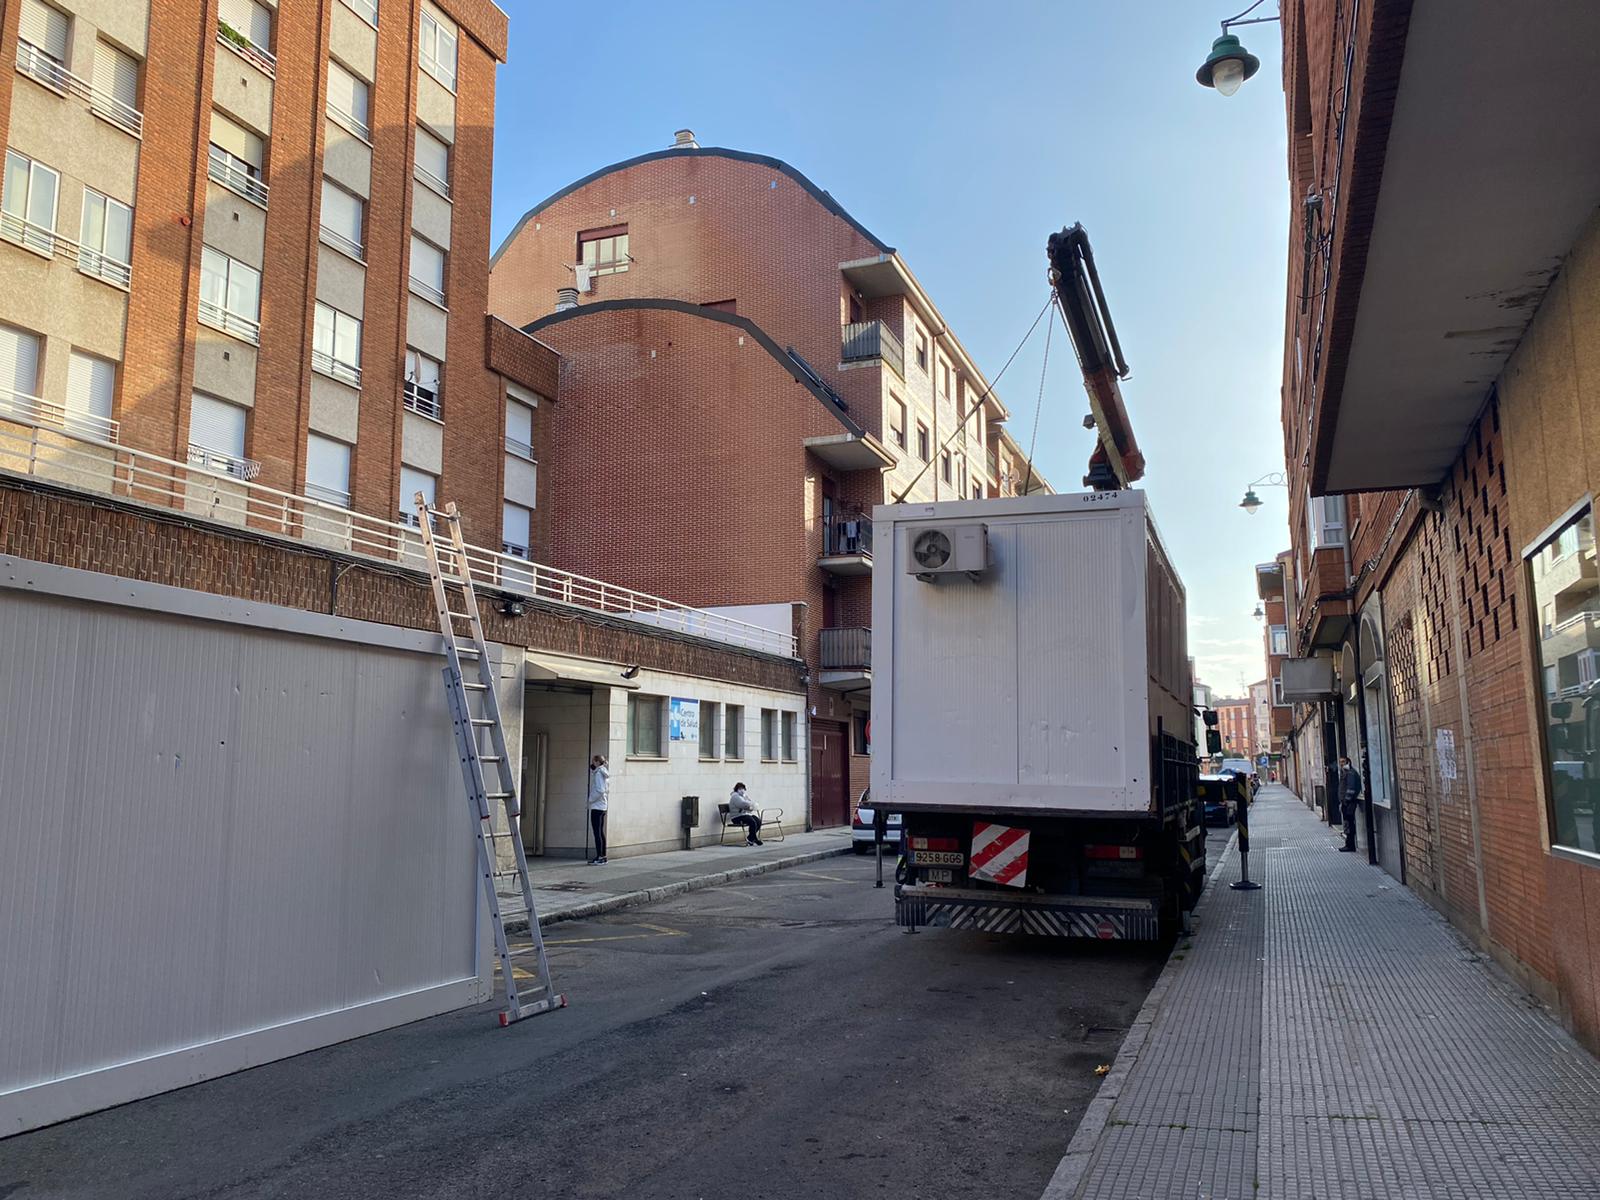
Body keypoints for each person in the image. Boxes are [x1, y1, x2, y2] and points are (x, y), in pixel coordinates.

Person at [1337, 755, 1362, 852]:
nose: (1341, 764)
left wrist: (1346, 801)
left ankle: (1350, 845)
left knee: (1349, 823)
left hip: (1349, 804)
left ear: (1348, 762)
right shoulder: (1345, 772)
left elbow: (1351, 788)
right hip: (1346, 803)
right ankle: (1349, 844)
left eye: (1343, 762)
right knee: (1348, 823)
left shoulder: (1350, 773)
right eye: (1340, 762)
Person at [588, 755, 609, 864]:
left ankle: (599, 856)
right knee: (600, 832)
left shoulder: (599, 774)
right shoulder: (603, 772)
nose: (592, 763)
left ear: (596, 762)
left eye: (593, 761)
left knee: (597, 832)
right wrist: (593, 770)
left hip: (597, 806)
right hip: (603, 806)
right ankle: (603, 855)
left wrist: (590, 799)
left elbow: (599, 790)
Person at [728, 782, 762, 846]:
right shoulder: (735, 796)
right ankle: (754, 838)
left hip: (743, 815)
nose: (743, 790)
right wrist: (751, 805)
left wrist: (751, 805)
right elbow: (743, 804)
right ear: (737, 789)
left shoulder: (742, 796)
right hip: (736, 817)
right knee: (752, 821)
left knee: (757, 821)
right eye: (741, 788)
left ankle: (750, 838)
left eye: (743, 789)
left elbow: (749, 802)